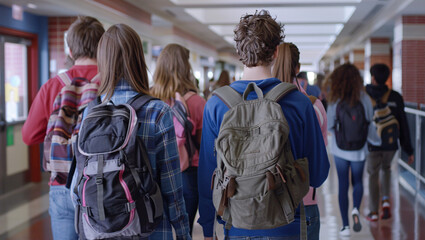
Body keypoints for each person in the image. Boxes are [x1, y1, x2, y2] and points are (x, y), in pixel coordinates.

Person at [198, 10, 330, 239]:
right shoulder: (299, 102)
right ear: (276, 51)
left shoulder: (216, 104)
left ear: (239, 51)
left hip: (237, 223)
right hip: (288, 222)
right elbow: (318, 175)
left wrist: (209, 227)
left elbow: (207, 177)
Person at [95, 24, 191, 239]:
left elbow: (76, 188)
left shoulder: (90, 113)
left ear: (102, 61)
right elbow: (172, 188)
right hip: (152, 228)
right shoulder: (158, 112)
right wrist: (183, 232)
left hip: (104, 229)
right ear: (138, 59)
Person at [21, 16, 104, 240]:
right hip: (102, 184)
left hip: (62, 183)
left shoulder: (53, 86)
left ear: (69, 49)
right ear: (103, 47)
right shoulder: (110, 82)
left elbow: (29, 136)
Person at [273, 42, 327, 240]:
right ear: (298, 68)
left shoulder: (258, 104)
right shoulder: (314, 106)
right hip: (305, 201)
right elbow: (319, 168)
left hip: (267, 200)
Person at [151, 43, 206, 235]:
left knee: (158, 229)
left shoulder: (149, 99)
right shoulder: (197, 102)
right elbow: (202, 145)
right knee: (185, 230)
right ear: (186, 68)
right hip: (188, 173)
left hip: (154, 172)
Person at [325, 63, 380, 237]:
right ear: (357, 79)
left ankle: (345, 226)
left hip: (340, 150)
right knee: (357, 182)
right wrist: (376, 141)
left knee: (342, 184)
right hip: (359, 150)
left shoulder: (335, 99)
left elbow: (330, 125)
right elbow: (369, 123)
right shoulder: (364, 97)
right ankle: (356, 208)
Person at [365, 63, 414, 221]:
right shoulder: (395, 96)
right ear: (386, 78)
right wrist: (409, 149)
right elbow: (403, 123)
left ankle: (373, 212)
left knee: (373, 174)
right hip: (391, 144)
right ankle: (385, 201)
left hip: (372, 144)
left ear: (373, 77)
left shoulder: (365, 95)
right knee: (386, 169)